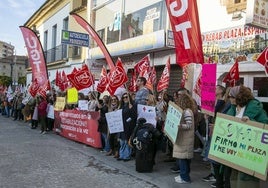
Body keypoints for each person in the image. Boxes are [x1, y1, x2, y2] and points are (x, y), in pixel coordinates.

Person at [226, 85, 268, 188]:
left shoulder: (256, 109)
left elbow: (265, 127)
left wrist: (251, 122)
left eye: (231, 96)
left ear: (238, 97)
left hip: (249, 153)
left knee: (246, 181)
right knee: (234, 179)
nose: (229, 99)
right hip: (234, 151)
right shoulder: (233, 108)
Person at [173, 93, 196, 184]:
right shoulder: (187, 111)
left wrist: (180, 126)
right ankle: (183, 175)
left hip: (185, 139)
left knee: (183, 159)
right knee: (184, 158)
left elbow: (189, 125)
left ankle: (185, 177)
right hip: (184, 138)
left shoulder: (187, 112)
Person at [117, 93, 137, 161]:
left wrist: (127, 120)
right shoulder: (122, 106)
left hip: (129, 126)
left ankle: (127, 156)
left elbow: (134, 116)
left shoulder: (133, 105)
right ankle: (121, 155)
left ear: (129, 98)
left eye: (126, 97)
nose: (125, 98)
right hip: (121, 126)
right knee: (122, 141)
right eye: (124, 97)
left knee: (126, 141)